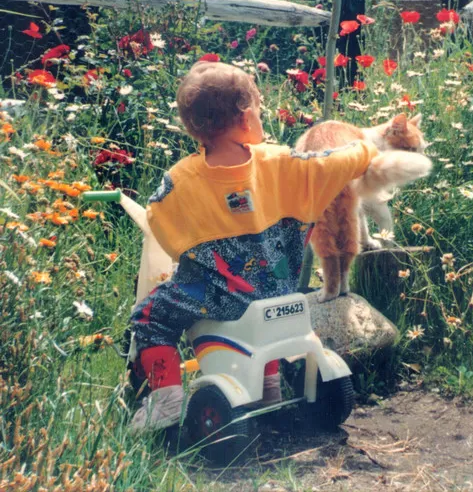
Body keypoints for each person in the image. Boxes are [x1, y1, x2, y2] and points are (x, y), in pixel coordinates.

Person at [130, 60, 378, 432]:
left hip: (223, 297)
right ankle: (268, 384)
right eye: (260, 109)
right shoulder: (281, 162)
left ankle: (165, 398)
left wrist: (189, 254)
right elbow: (329, 164)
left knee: (151, 316)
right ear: (246, 119)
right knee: (265, 311)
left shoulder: (181, 178)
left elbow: (159, 220)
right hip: (279, 290)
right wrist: (365, 149)